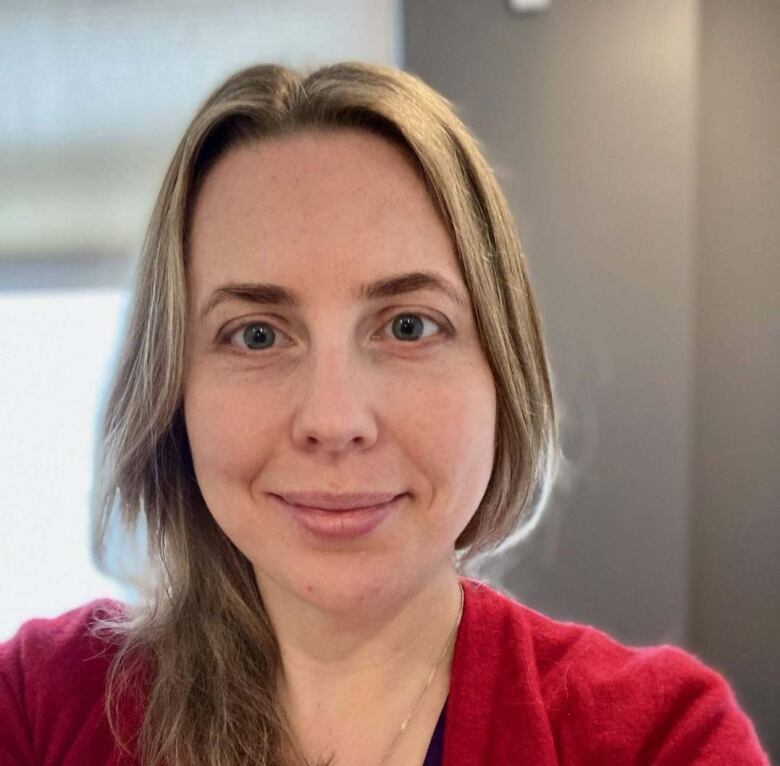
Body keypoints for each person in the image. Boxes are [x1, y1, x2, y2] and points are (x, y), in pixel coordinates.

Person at [0, 62, 769, 766]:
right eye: (256, 334)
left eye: (408, 326)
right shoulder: (39, 707)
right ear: (172, 389)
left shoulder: (658, 739)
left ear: (503, 369)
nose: (334, 421)